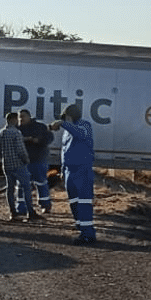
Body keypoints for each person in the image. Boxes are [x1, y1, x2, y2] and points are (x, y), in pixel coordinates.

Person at [49, 104, 96, 244]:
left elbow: (80, 134)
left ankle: (88, 234)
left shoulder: (84, 126)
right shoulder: (67, 131)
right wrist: (63, 170)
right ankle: (81, 228)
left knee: (84, 202)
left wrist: (63, 124)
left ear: (70, 116)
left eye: (66, 117)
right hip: (70, 171)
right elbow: (64, 151)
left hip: (83, 170)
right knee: (74, 202)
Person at [0, 112, 43, 222]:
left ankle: (13, 213)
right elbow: (21, 150)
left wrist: (4, 160)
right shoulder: (16, 133)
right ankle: (30, 212)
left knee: (10, 189)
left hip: (7, 165)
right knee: (26, 188)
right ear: (14, 120)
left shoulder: (1, 133)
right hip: (19, 165)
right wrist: (26, 160)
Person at [18, 109, 54, 213]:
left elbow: (50, 138)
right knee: (22, 185)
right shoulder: (18, 129)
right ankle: (21, 207)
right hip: (23, 162)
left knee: (41, 183)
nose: (21, 119)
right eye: (19, 117)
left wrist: (38, 140)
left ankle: (45, 205)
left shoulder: (40, 127)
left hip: (38, 160)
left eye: (23, 116)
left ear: (29, 117)